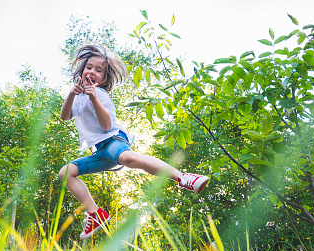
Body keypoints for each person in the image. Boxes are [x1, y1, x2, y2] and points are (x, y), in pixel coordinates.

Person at [59, 44, 209, 240]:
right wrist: (71, 93)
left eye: (99, 70)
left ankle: (183, 178)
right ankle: (96, 215)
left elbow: (106, 126)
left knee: (128, 158)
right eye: (89, 67)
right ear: (82, 70)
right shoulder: (78, 97)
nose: (92, 72)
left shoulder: (101, 96)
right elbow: (65, 116)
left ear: (104, 78)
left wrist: (94, 98)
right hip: (101, 152)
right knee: (66, 173)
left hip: (113, 141)